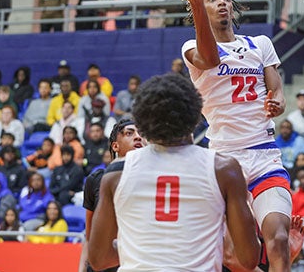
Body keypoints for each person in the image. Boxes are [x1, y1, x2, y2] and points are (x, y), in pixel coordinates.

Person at [88, 73, 261, 272]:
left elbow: (98, 260)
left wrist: (142, 251)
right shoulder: (224, 169)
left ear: (142, 121)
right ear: (196, 114)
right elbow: (248, 259)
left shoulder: (117, 172)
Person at [178, 0, 292, 269]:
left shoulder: (260, 44)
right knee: (237, 256)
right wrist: (194, 0)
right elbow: (210, 58)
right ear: (200, 11)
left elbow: (276, 89)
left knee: (279, 238)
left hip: (264, 154)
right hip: (225, 160)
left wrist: (277, 101)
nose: (222, 3)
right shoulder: (191, 48)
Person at [82, 119, 144, 272]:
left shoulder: (154, 178)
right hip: (103, 265)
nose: (138, 137)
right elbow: (89, 237)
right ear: (115, 146)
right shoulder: (97, 179)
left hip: (138, 263)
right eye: (129, 133)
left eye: (141, 134)